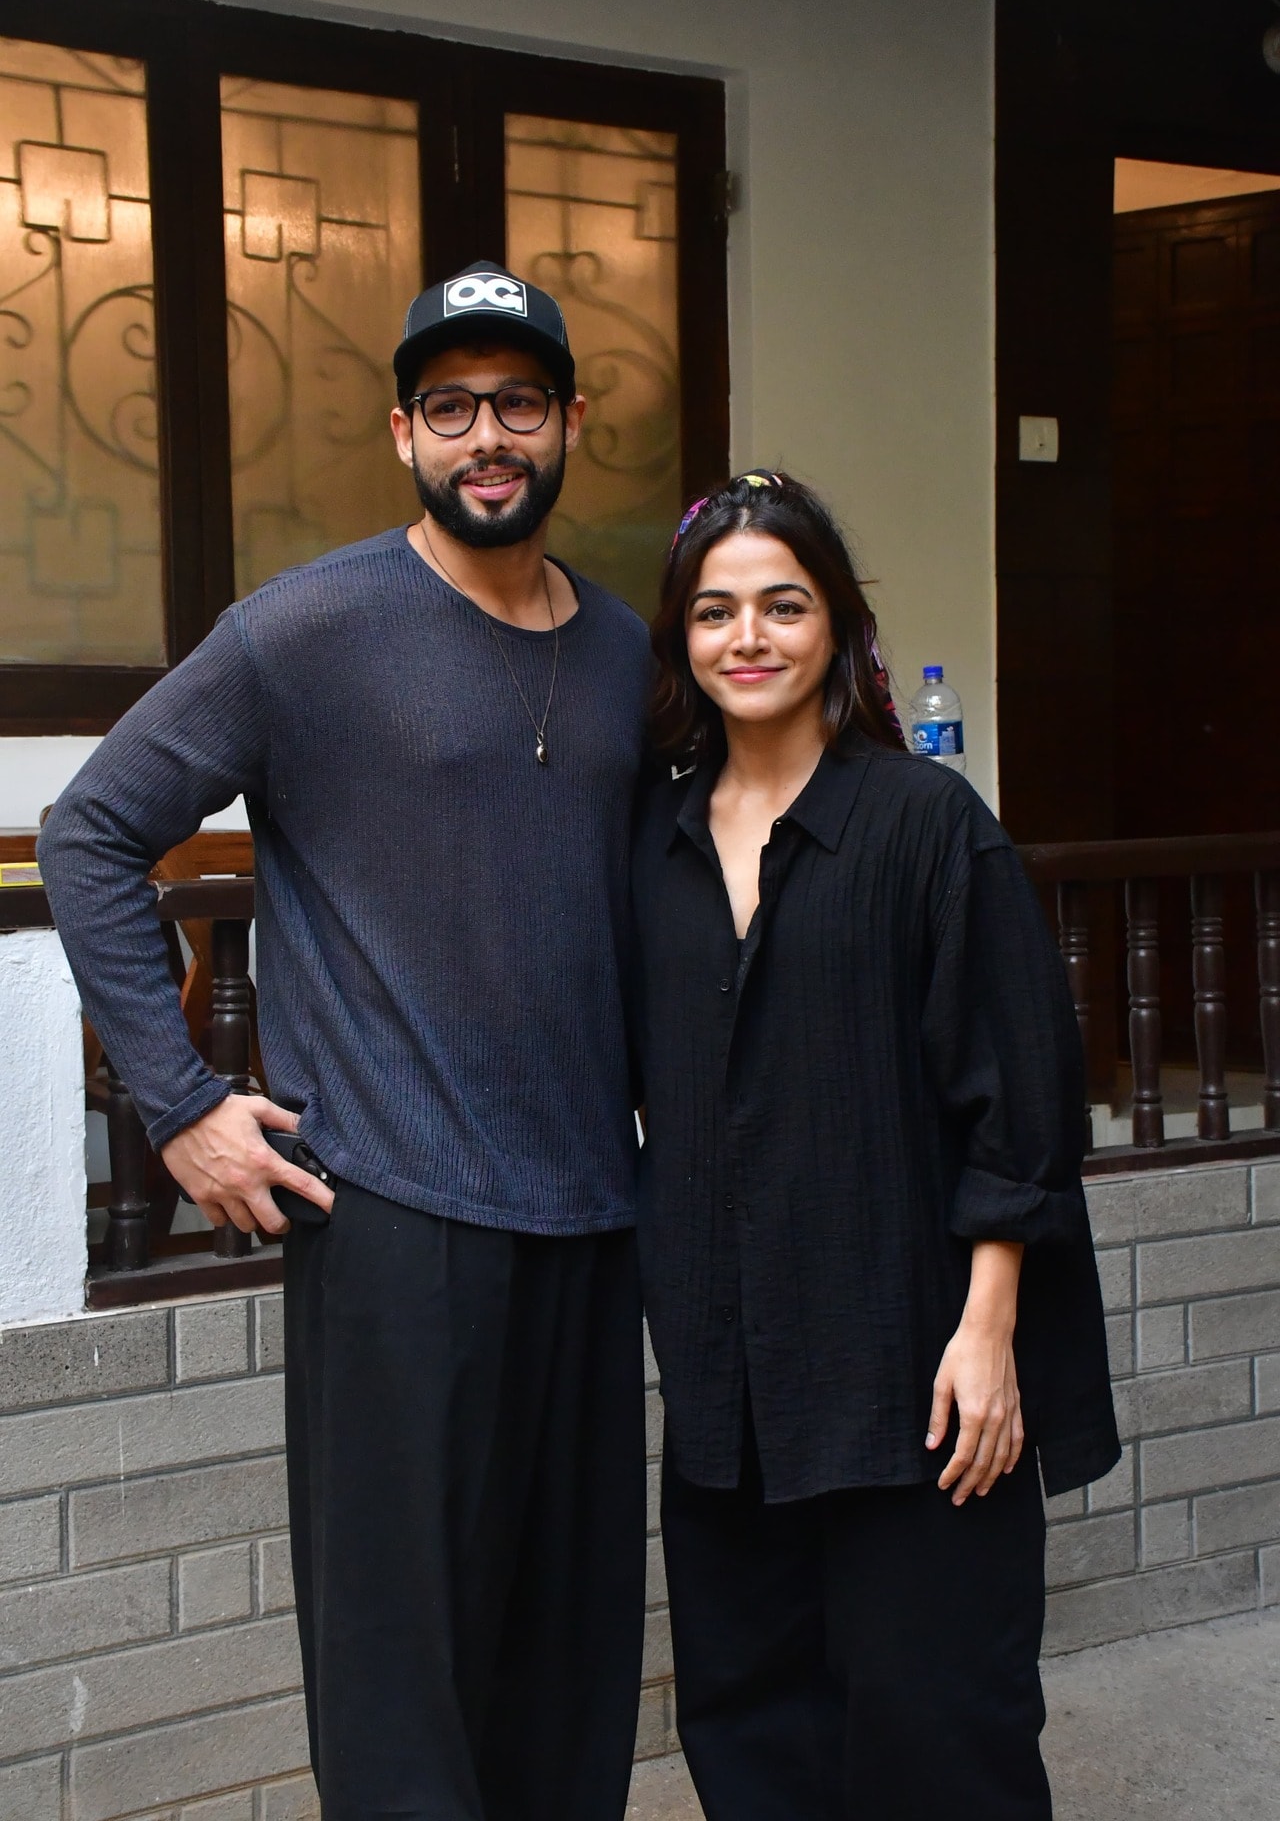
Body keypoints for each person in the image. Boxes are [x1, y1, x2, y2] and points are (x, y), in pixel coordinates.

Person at [38, 262, 652, 1821]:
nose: (487, 438)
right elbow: (91, 835)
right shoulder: (302, 631)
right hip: (392, 1218)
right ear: (403, 434)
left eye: (519, 403)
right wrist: (180, 1105)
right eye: (452, 409)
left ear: (572, 421)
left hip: (594, 1215)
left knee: (572, 1660)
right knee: (403, 1672)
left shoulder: (633, 658)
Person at [630, 471, 1120, 1820]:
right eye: (717, 610)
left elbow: (1021, 1103)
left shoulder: (923, 824)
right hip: (732, 1384)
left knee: (936, 1730)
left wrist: (987, 1329)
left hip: (915, 1366)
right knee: (750, 1730)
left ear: (838, 629)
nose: (749, 637)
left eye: (783, 605)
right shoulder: (654, 845)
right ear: (681, 636)